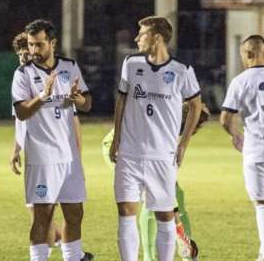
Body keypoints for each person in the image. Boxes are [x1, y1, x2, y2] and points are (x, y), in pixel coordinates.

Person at [109, 16, 202, 261]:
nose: (137, 38)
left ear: (157, 37)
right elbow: (121, 99)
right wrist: (117, 136)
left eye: (142, 34)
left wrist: (183, 143)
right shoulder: (130, 63)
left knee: (165, 215)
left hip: (162, 155)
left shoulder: (181, 71)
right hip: (129, 153)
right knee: (126, 211)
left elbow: (196, 105)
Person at [11, 19, 93, 261]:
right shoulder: (23, 74)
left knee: (75, 213)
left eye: (39, 45)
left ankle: (74, 257)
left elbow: (87, 104)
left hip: (69, 158)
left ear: (52, 43)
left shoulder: (70, 67)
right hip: (41, 158)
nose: (34, 51)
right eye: (30, 45)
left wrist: (78, 100)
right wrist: (43, 95)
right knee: (42, 216)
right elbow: (21, 112)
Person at [101, 102, 210, 261]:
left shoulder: (173, 125)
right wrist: (179, 230)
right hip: (119, 150)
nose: (197, 130)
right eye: (198, 124)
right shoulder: (165, 125)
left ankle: (187, 254)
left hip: (145, 152)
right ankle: (150, 257)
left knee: (176, 194)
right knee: (151, 201)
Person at [220, 35, 264, 261]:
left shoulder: (241, 80)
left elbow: (226, 118)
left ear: (248, 54)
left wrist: (236, 135)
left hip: (258, 150)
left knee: (263, 204)